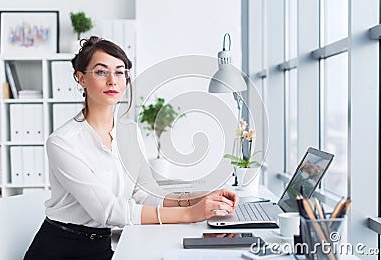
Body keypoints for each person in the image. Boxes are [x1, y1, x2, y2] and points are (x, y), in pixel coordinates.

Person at [24, 36, 239, 260]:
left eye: (119, 72)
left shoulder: (129, 131)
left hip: (101, 246)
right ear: (81, 79)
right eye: (100, 71)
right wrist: (189, 214)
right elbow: (108, 211)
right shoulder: (63, 142)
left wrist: (201, 198)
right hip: (60, 249)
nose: (112, 81)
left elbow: (143, 193)